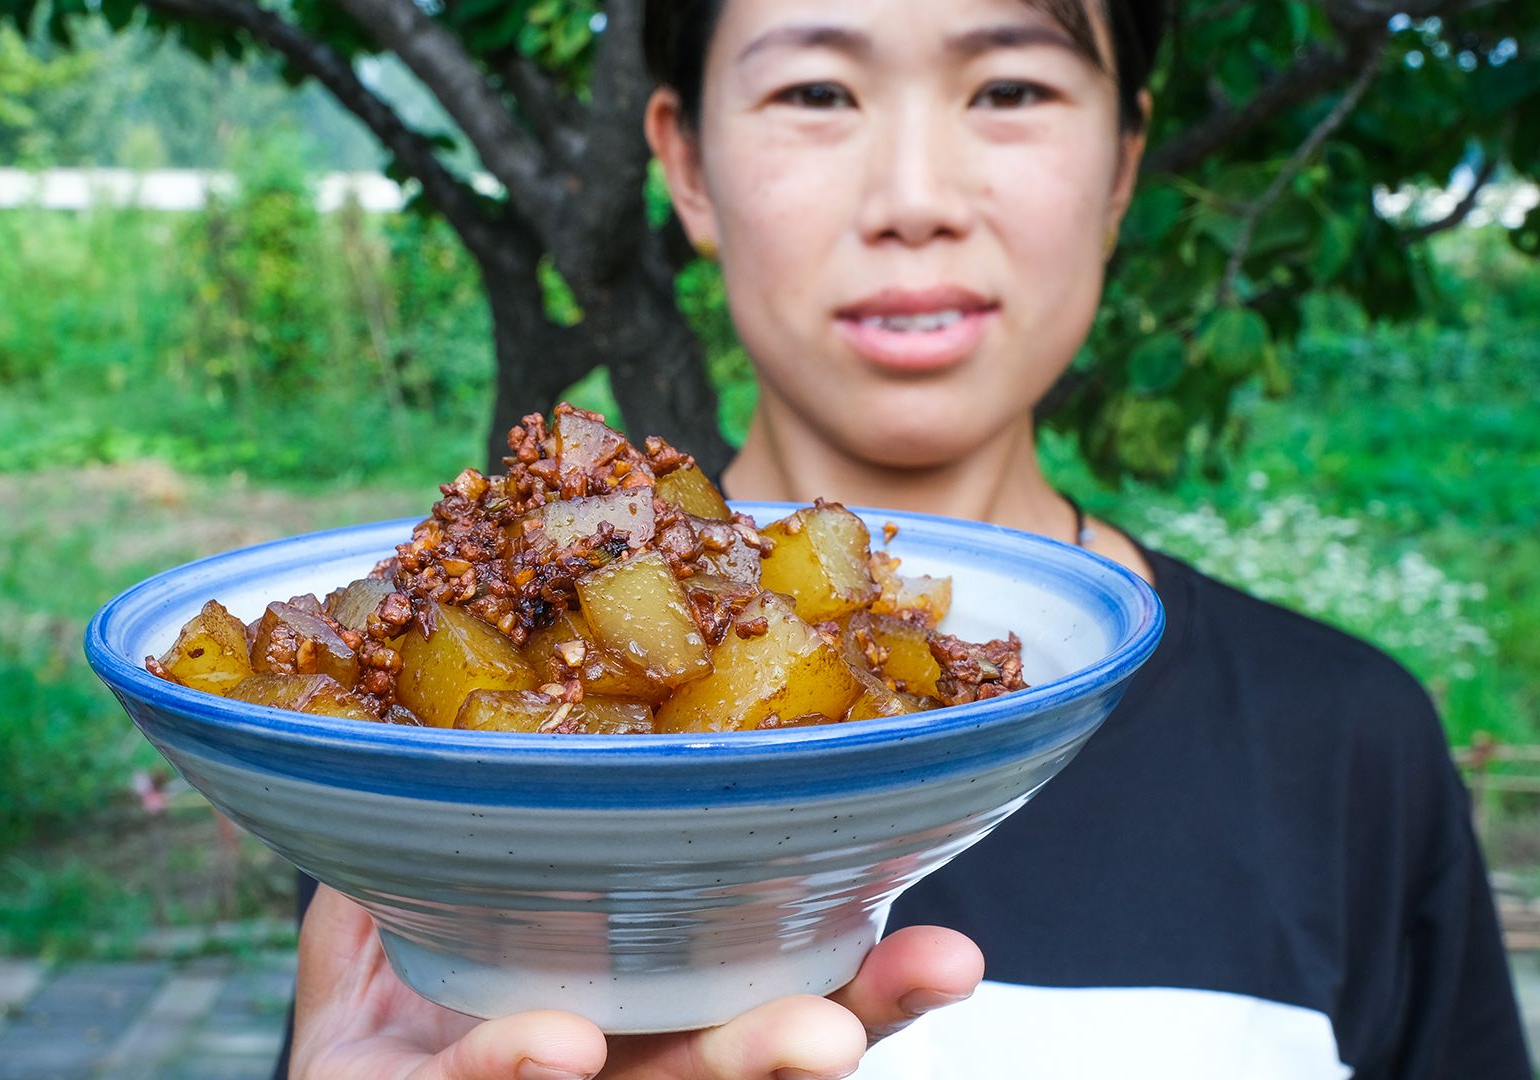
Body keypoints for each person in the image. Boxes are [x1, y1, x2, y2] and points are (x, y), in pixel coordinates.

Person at [278, 0, 1531, 1076]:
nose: (916, 200)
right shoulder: (430, 767)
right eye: (819, 89)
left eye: (1012, 86)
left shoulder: (1351, 745)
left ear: (1122, 166)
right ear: (690, 166)